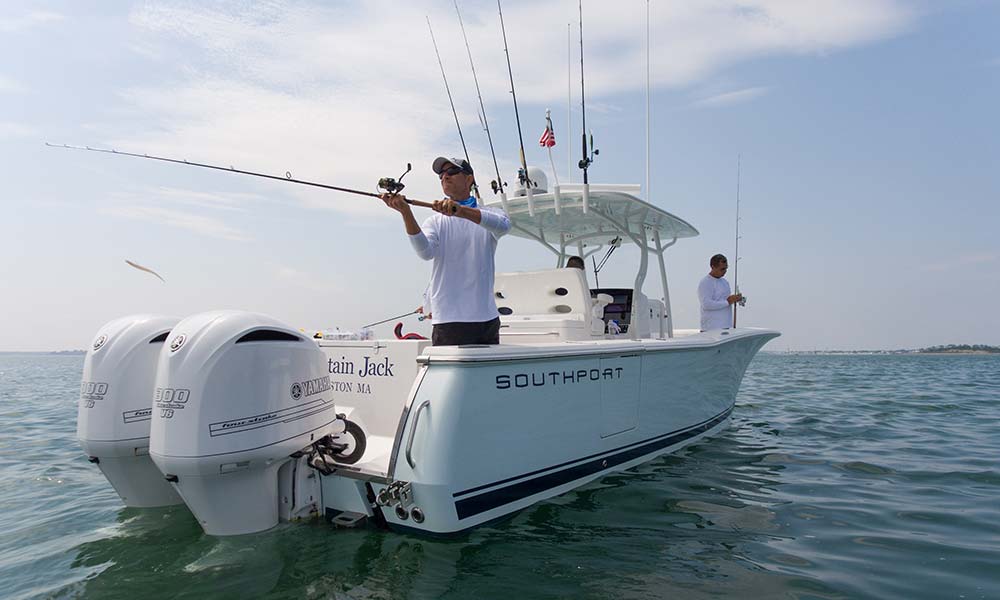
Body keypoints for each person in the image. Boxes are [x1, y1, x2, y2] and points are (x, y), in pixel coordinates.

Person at [381, 156, 511, 346]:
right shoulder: (435, 222)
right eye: (441, 175)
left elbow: (504, 226)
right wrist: (406, 212)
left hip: (487, 319)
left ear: (469, 179)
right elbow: (425, 253)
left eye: (451, 172)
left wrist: (461, 211)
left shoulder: (491, 215)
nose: (445, 177)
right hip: (449, 320)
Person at [697, 254, 743, 331]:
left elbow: (726, 301)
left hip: (727, 328)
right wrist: (728, 302)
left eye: (726, 268)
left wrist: (735, 299)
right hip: (711, 329)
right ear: (713, 267)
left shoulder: (725, 282)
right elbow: (706, 304)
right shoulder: (705, 282)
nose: (725, 271)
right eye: (722, 269)